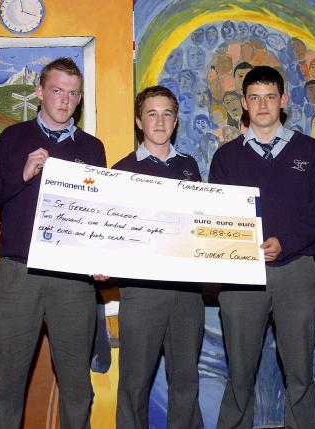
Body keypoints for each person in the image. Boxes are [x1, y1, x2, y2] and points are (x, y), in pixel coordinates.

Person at [0, 57, 107, 429]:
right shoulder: (13, 138)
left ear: (79, 98)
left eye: (72, 93)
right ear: (39, 92)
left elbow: (100, 213)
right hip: (18, 273)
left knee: (77, 389)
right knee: (6, 386)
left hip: (72, 278)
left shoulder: (92, 148)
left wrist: (101, 255)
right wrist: (21, 174)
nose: (64, 100)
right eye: (56, 91)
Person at [209, 66, 315, 429]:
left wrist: (288, 242)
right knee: (239, 372)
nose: (262, 105)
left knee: (300, 370)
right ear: (244, 105)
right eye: (254, 98)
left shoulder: (308, 151)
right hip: (241, 275)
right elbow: (215, 216)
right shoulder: (226, 157)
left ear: (284, 100)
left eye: (270, 96)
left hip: (296, 271)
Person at [113, 86, 205, 429]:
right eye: (151, 114)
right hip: (141, 292)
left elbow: (199, 223)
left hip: (186, 291)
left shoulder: (189, 166)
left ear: (176, 120)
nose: (159, 120)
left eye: (167, 113)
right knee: (135, 383)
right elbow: (111, 233)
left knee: (185, 381)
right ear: (139, 121)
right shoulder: (120, 170)